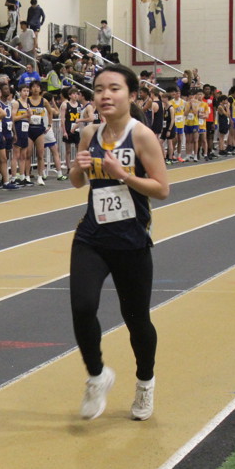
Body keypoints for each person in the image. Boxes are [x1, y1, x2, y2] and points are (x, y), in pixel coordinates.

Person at [67, 64, 169, 421]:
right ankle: (97, 376)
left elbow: (162, 189)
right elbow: (77, 182)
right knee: (82, 308)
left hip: (131, 240)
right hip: (92, 236)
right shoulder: (89, 133)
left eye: (114, 88)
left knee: (136, 319)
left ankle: (145, 382)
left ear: (131, 95)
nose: (105, 95)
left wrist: (123, 175)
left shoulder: (141, 136)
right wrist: (78, 167)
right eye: (99, 89)